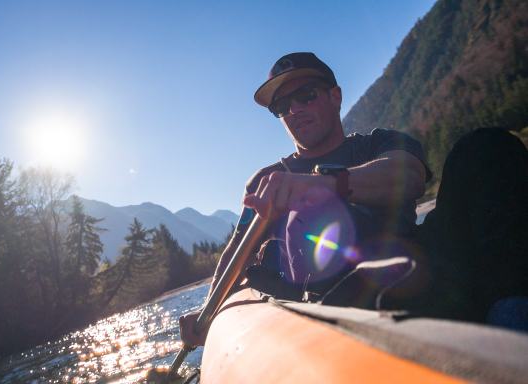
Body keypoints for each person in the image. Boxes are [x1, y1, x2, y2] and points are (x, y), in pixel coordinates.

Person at [180, 52, 431, 347]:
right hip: (321, 318)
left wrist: (324, 185)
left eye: (306, 95)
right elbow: (237, 252)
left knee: (480, 148)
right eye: (282, 106)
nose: (294, 110)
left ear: (335, 97)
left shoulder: (380, 144)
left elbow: (409, 176)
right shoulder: (267, 182)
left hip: (408, 288)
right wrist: (207, 312)